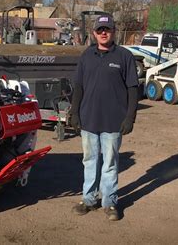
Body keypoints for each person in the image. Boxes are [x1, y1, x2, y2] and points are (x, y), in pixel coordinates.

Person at [70, 15, 139, 221]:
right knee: (90, 161)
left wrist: (130, 117)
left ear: (113, 31)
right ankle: (89, 199)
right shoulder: (86, 56)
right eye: (99, 30)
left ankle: (109, 203)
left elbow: (133, 89)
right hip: (88, 119)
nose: (103, 33)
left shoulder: (124, 56)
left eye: (106, 29)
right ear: (94, 33)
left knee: (109, 164)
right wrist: (74, 112)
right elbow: (79, 87)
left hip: (113, 121)